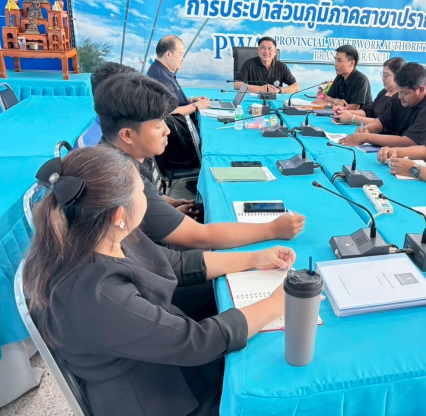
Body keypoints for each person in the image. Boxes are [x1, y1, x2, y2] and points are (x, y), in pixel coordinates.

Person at [22, 146, 293, 415]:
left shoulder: (102, 233)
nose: (148, 197)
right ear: (119, 214)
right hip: (159, 397)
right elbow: (195, 343)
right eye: (142, 191)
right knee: (275, 383)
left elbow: (175, 264)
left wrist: (254, 259)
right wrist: (277, 302)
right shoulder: (97, 293)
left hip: (159, 354)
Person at [94, 72, 306, 249]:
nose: (167, 131)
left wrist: (168, 203)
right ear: (127, 135)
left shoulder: (119, 156)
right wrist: (273, 229)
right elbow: (201, 237)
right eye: (158, 126)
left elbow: (151, 197)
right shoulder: (125, 182)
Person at [339, 62, 426, 147]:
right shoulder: (400, 98)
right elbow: (383, 121)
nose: (400, 96)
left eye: (404, 93)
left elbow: (411, 142)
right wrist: (366, 129)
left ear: (421, 90)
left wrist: (366, 137)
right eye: (399, 92)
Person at [146, 35, 211, 118]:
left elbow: (171, 102)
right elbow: (170, 112)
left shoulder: (162, 72)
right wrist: (196, 105)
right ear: (168, 55)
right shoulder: (160, 78)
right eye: (181, 54)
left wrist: (191, 101)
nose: (182, 58)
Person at [332, 57, 405, 125]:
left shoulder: (400, 98)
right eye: (383, 75)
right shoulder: (384, 92)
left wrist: (353, 118)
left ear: (398, 76)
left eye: (386, 75)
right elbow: (368, 111)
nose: (383, 79)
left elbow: (384, 123)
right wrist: (344, 112)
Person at [234, 36, 300, 94]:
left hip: (274, 100)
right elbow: (237, 85)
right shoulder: (249, 64)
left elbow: (296, 87)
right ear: (258, 50)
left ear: (275, 52)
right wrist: (260, 89)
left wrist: (279, 90)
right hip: (254, 99)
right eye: (263, 48)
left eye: (270, 48)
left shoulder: (281, 66)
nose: (266, 51)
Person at [322, 45, 372, 110]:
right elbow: (327, 98)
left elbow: (354, 108)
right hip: (342, 114)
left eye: (339, 60)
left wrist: (331, 105)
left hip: (359, 116)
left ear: (351, 63)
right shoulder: (339, 77)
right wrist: (335, 100)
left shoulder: (361, 79)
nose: (335, 64)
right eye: (335, 60)